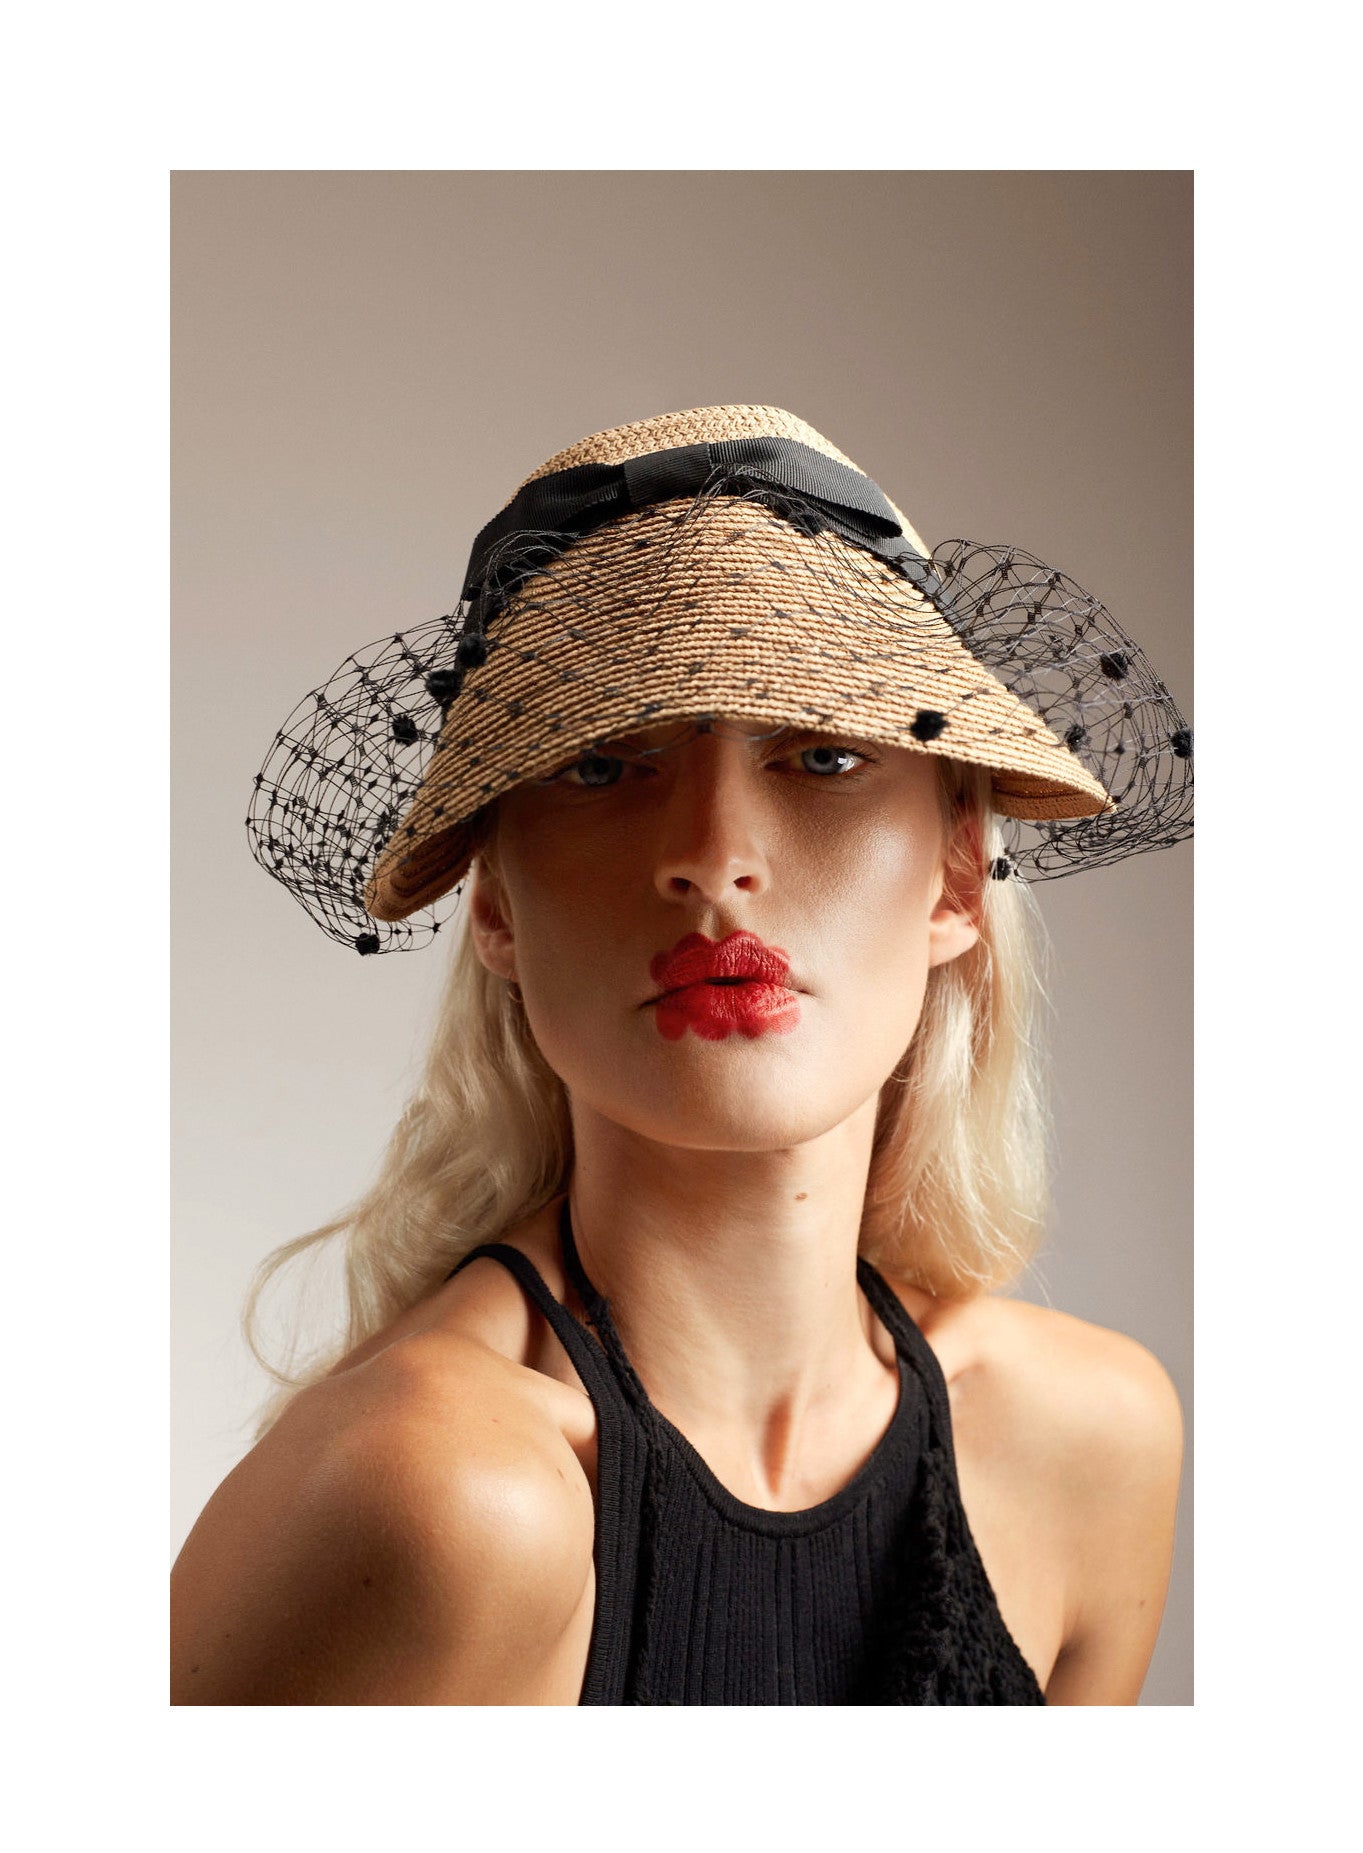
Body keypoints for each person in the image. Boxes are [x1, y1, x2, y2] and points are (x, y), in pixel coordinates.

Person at [172, 404, 1191, 1705]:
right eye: (603, 768)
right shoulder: (445, 1497)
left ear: (955, 878)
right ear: (494, 902)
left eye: (823, 755)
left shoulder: (1089, 1442)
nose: (713, 859)